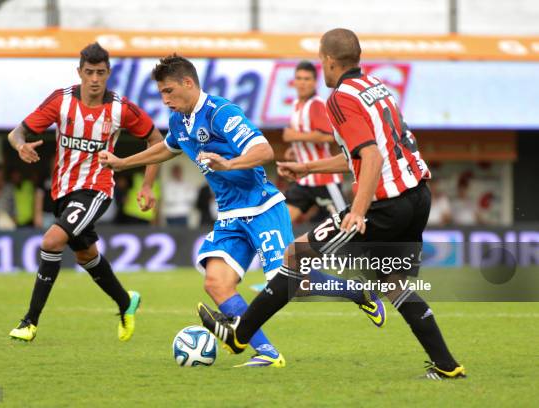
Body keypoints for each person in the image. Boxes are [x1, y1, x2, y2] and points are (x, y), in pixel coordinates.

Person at [198, 29, 465, 380]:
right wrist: (308, 167)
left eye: (320, 59)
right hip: (418, 197)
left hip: (384, 204)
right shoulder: (378, 88)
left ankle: (239, 335)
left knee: (296, 255)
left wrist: (357, 211)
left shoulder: (339, 99)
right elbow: (367, 153)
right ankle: (447, 366)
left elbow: (369, 157)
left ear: (328, 60)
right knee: (394, 282)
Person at [100, 54, 384, 367]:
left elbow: (263, 150)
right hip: (230, 215)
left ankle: (361, 293)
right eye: (161, 93)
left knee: (291, 282)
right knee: (216, 284)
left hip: (263, 207)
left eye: (168, 91)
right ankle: (267, 353)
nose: (164, 99)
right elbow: (168, 148)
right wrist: (123, 162)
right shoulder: (179, 121)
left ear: (188, 83)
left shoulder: (221, 112)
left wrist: (230, 163)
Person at [7, 42, 163, 343]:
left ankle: (29, 321)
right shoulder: (61, 101)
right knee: (86, 255)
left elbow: (156, 141)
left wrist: (146, 184)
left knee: (52, 240)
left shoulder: (121, 108)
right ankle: (125, 302)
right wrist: (20, 146)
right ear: (79, 72)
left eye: (100, 73)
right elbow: (17, 132)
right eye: (89, 72)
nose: (94, 79)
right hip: (63, 190)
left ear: (109, 74)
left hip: (97, 188)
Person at [282, 61, 347, 223]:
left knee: (345, 225)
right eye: (299, 78)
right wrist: (294, 149)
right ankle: (277, 249)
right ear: (294, 81)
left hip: (324, 178)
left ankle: (364, 248)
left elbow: (328, 136)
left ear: (314, 82)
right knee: (281, 223)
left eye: (307, 79)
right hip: (303, 179)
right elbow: (304, 133)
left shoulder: (316, 104)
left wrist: (293, 137)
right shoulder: (296, 104)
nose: (302, 83)